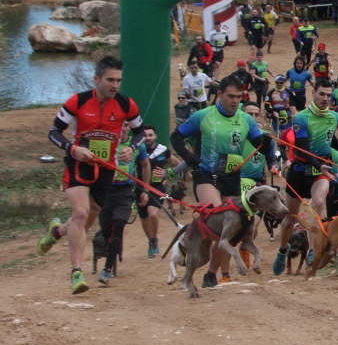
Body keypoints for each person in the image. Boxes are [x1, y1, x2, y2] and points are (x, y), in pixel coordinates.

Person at [40, 56, 145, 294]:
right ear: (97, 79)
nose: (115, 85)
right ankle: (77, 272)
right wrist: (72, 149)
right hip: (79, 165)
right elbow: (54, 131)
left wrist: (132, 148)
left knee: (84, 223)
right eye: (110, 79)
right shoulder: (77, 101)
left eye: (118, 80)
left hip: (106, 170)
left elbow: (140, 132)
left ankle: (56, 232)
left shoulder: (127, 104)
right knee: (80, 213)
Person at [169, 76, 275, 288]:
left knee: (230, 229)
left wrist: (265, 145)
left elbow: (260, 146)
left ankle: (211, 273)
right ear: (219, 94)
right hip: (206, 175)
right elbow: (175, 138)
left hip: (232, 178)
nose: (235, 101)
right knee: (221, 219)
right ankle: (189, 254)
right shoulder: (203, 116)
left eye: (239, 97)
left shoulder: (246, 120)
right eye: (230, 96)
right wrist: (187, 157)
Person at [272, 79, 338, 275]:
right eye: (322, 94)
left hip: (320, 173)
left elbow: (331, 141)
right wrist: (318, 165)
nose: (325, 98)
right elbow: (303, 150)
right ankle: (282, 250)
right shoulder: (301, 118)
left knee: (319, 203)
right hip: (300, 171)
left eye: (329, 95)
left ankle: (313, 251)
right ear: (313, 93)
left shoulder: (334, 117)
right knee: (290, 218)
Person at [97, 120, 150, 285]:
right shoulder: (103, 144)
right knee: (107, 232)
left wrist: (146, 191)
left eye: (126, 124)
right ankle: (113, 249)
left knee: (118, 226)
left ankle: (106, 270)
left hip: (125, 193)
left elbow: (146, 166)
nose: (123, 128)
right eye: (119, 125)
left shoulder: (137, 146)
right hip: (105, 194)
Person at [237, 101, 280, 267]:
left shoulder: (265, 138)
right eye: (250, 114)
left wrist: (274, 166)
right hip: (235, 184)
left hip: (256, 186)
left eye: (256, 114)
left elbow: (271, 159)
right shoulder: (235, 135)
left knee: (253, 226)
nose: (254, 118)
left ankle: (245, 248)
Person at [138, 125, 181, 258]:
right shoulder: (138, 150)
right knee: (144, 219)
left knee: (153, 215)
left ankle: (154, 239)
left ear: (155, 136)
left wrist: (184, 173)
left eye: (150, 135)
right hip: (140, 187)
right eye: (145, 136)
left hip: (158, 188)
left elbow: (174, 162)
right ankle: (150, 240)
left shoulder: (162, 149)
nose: (148, 138)